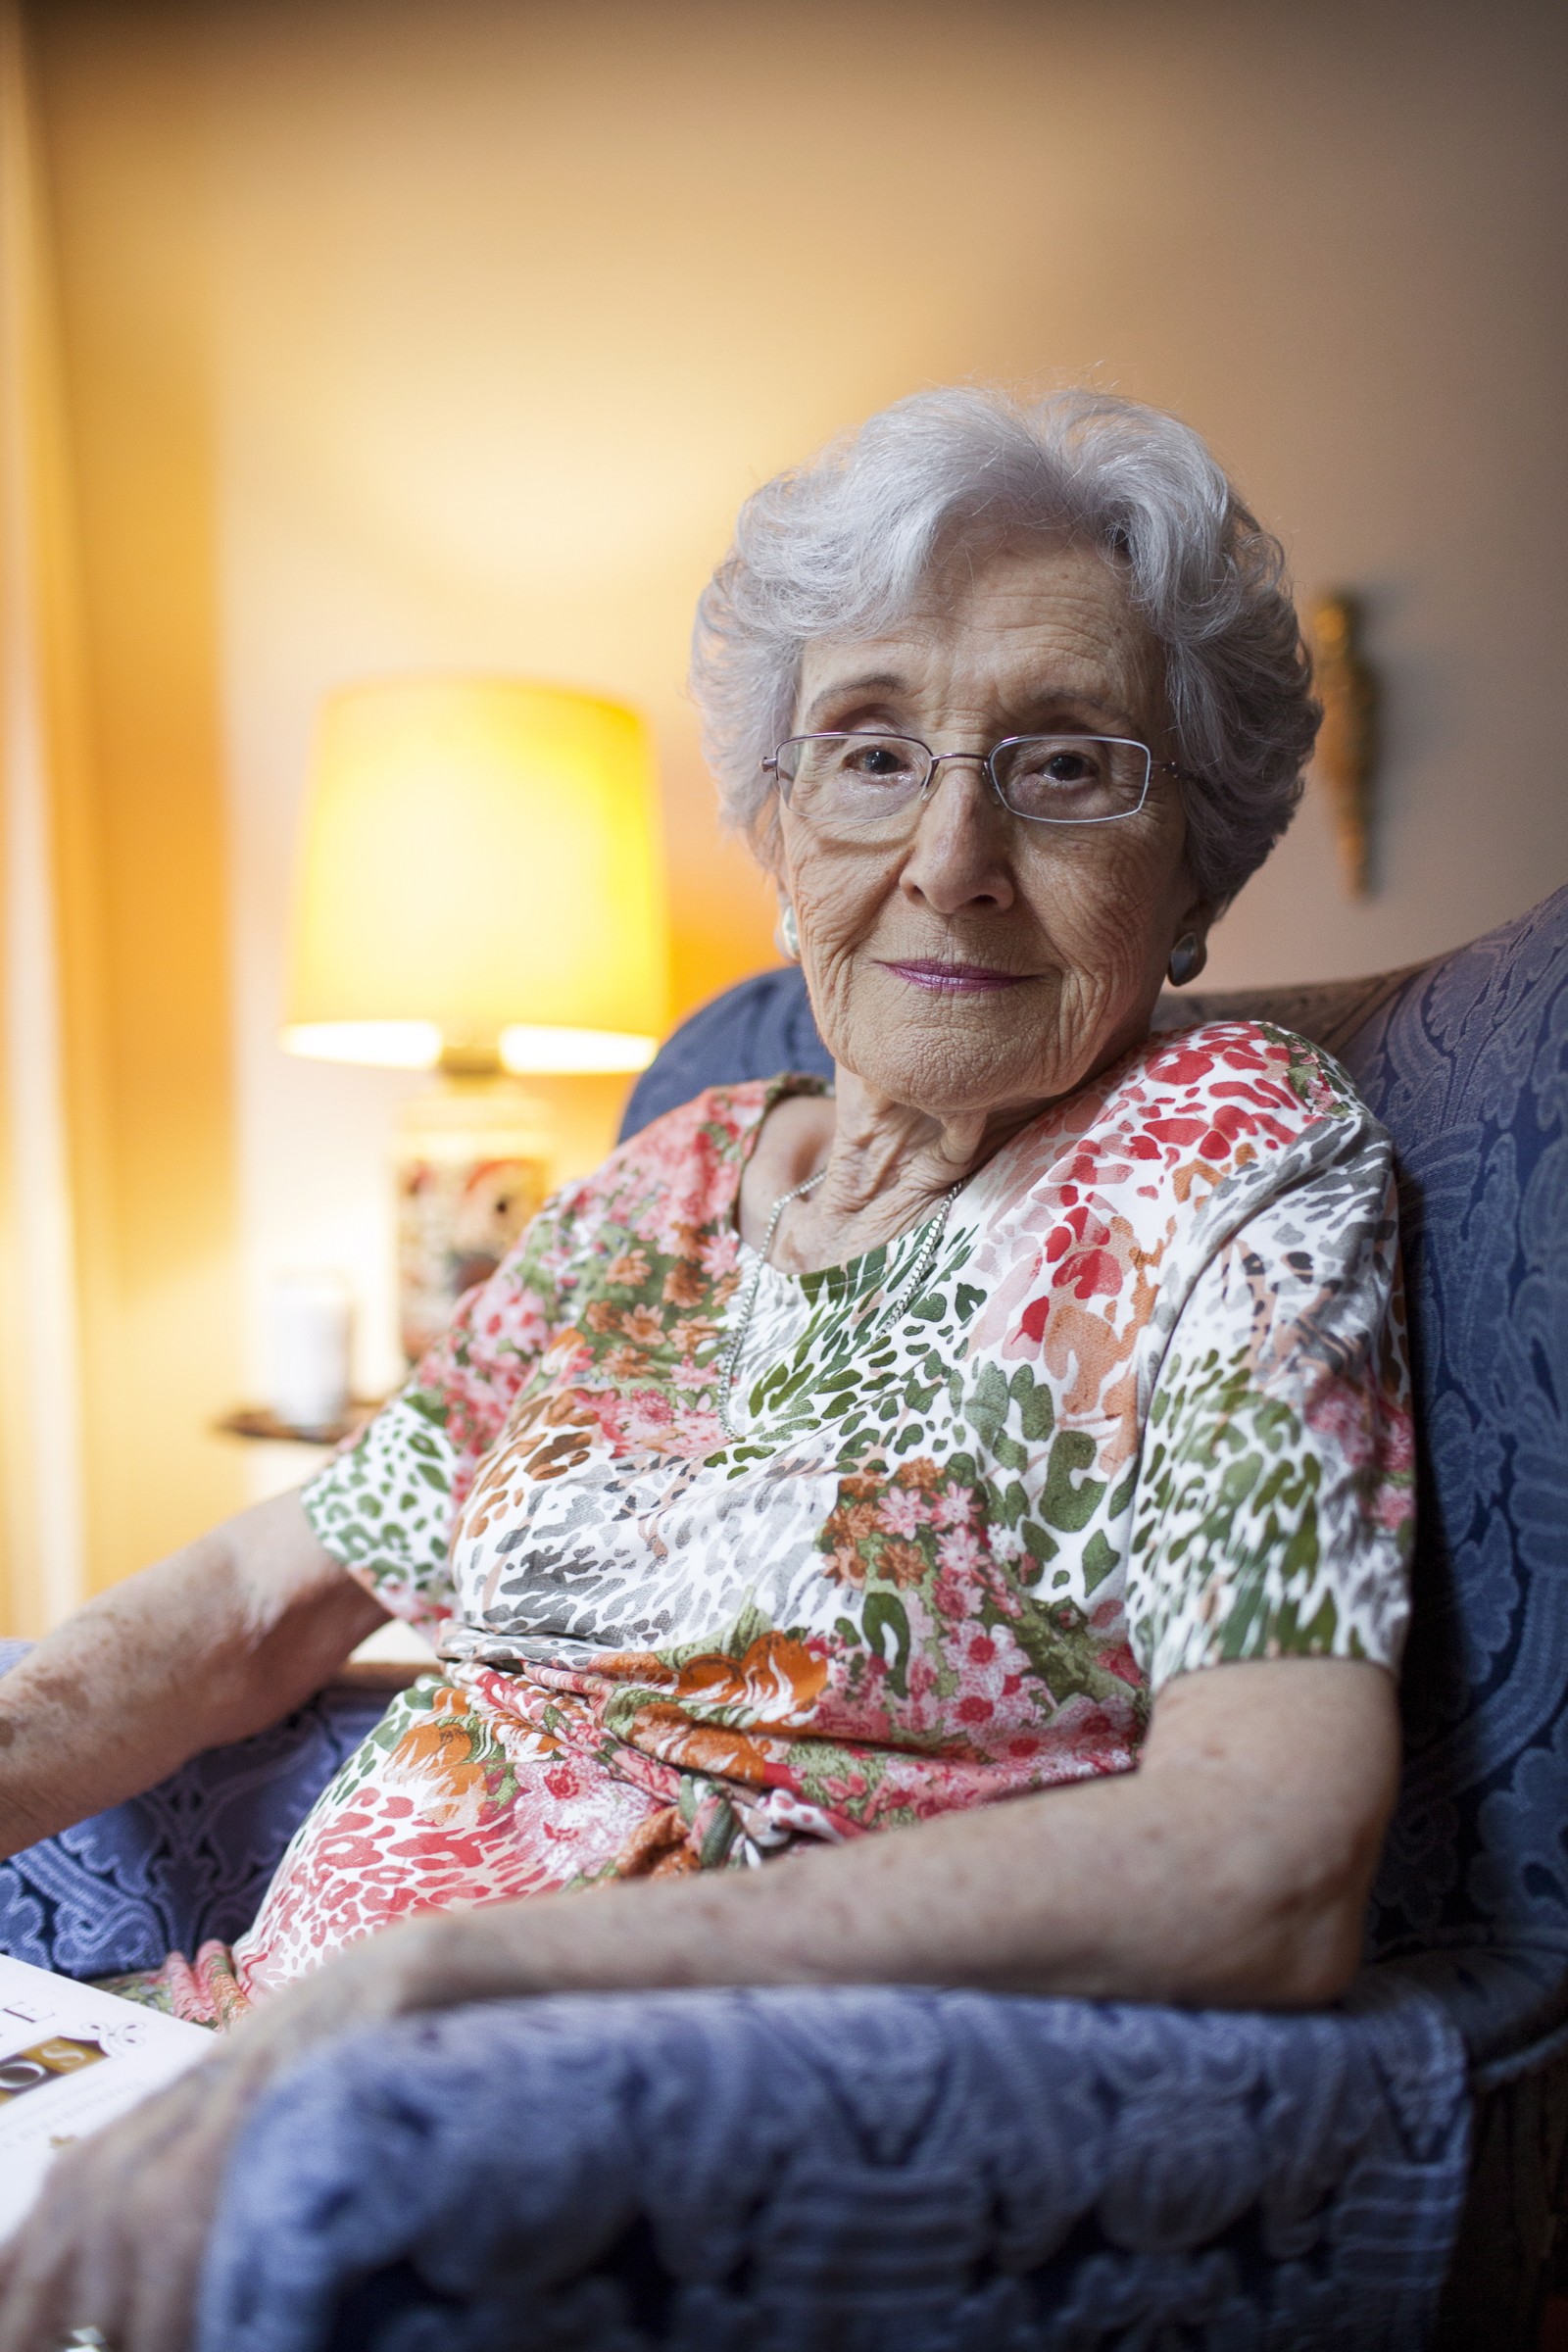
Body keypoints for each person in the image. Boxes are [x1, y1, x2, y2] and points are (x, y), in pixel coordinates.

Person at [0, 386, 1412, 2351]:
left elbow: (1264, 1854)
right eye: (867, 753)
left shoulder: (1223, 1160)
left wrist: (466, 1987)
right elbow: (259, 1597)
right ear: (768, 818)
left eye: (1066, 767)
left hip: (567, 2128)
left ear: (1196, 874)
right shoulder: (658, 1190)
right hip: (247, 2055)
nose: (949, 855)